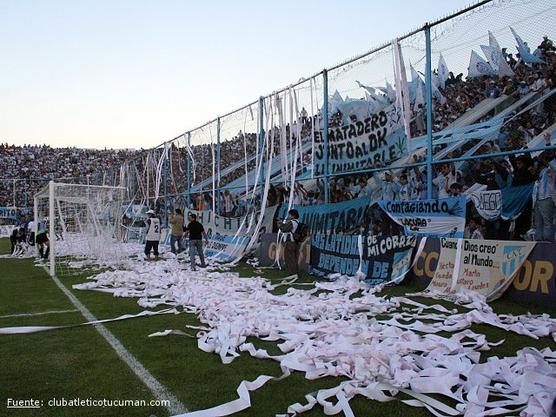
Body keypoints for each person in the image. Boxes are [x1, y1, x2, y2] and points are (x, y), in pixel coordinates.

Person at [277, 209, 301, 276]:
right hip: (295, 242)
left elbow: (284, 229)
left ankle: (292, 273)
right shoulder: (298, 222)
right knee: (294, 258)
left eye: (290, 214)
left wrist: (280, 223)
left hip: (290, 242)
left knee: (289, 258)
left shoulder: (292, 222)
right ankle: (295, 272)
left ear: (293, 215)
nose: (289, 216)